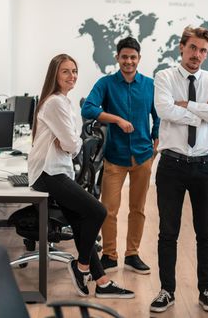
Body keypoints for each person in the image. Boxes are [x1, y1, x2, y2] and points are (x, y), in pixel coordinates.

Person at [28, 54, 134, 298]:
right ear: (54, 74)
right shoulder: (55, 103)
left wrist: (69, 142)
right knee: (98, 211)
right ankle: (80, 267)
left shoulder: (62, 101)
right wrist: (70, 142)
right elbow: (72, 145)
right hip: (48, 172)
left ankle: (103, 283)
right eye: (65, 71)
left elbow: (69, 143)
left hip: (57, 169)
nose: (72, 76)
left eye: (74, 71)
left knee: (79, 222)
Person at [150, 26, 208, 313]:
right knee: (167, 232)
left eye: (203, 50)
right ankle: (166, 291)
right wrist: (201, 113)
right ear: (182, 48)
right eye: (193, 48)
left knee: (206, 233)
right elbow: (164, 110)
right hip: (172, 164)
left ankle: (206, 289)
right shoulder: (164, 76)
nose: (197, 55)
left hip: (205, 166)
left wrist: (186, 106)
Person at [81, 36, 159, 274]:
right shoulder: (105, 84)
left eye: (133, 57)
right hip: (114, 157)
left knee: (138, 208)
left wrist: (156, 141)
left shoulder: (149, 85)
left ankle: (133, 254)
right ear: (117, 57)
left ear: (139, 59)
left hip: (143, 156)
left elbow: (159, 116)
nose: (128, 61)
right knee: (108, 209)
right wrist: (115, 119)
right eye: (124, 57)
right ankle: (110, 255)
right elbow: (88, 108)